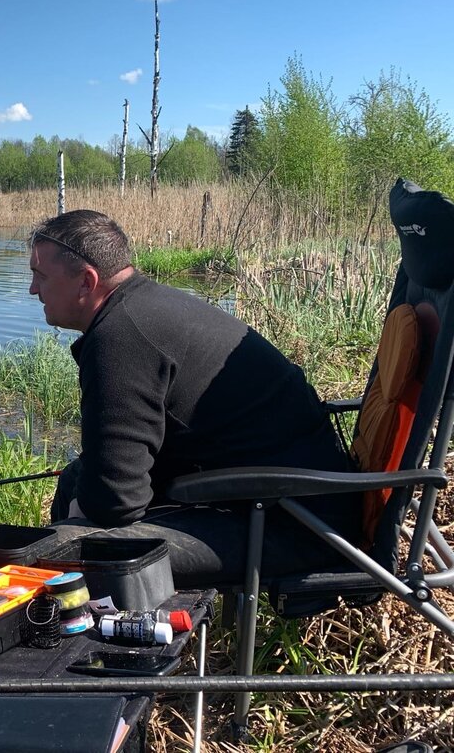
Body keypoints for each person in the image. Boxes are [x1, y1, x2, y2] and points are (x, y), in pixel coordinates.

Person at [29, 209, 361, 584]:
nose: (32, 289)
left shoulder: (121, 337)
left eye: (40, 276)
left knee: (70, 551)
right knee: (76, 478)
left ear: (86, 281)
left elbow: (114, 502)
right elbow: (115, 470)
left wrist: (78, 520)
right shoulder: (144, 306)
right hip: (287, 499)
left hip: (301, 524)